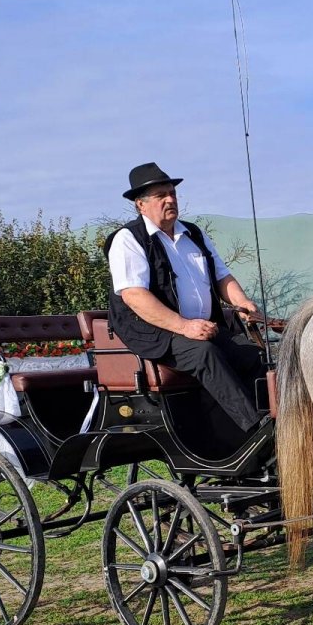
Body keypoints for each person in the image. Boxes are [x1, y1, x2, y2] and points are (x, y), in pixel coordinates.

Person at [104, 162, 271, 433]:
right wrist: (184, 326)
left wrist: (243, 304)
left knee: (252, 354)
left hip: (202, 328)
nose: (170, 199)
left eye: (172, 193)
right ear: (140, 204)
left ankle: (273, 416)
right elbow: (134, 296)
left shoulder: (193, 233)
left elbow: (221, 277)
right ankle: (255, 429)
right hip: (156, 332)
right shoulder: (127, 239)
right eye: (161, 196)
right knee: (205, 354)